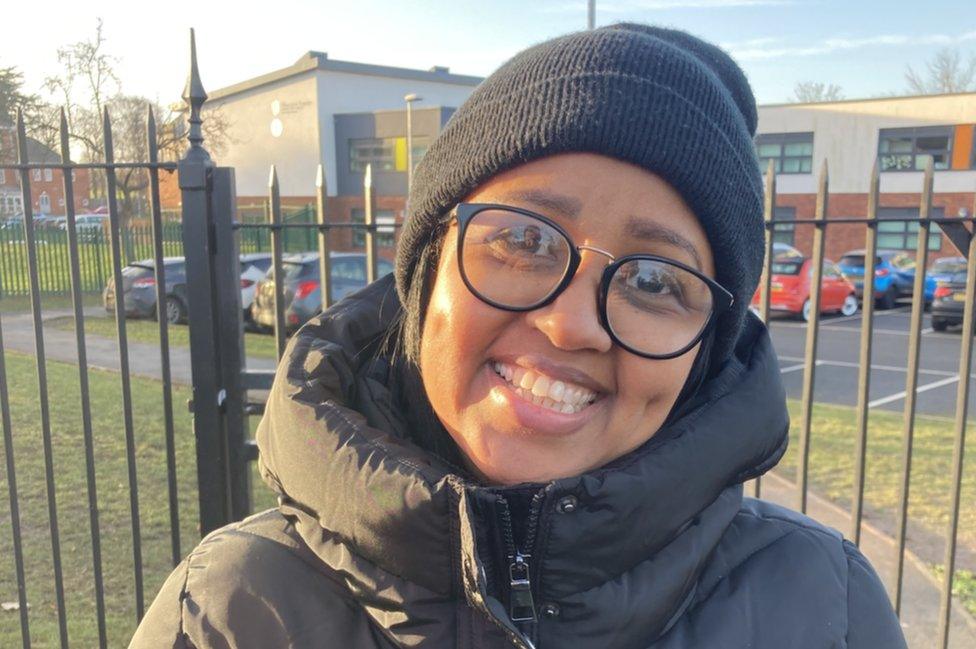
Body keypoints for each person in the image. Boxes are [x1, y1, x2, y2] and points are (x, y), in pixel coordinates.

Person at [131, 23, 906, 648]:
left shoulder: (824, 609)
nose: (570, 322)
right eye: (524, 240)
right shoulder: (231, 609)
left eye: (652, 282)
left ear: (705, 351)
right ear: (426, 271)